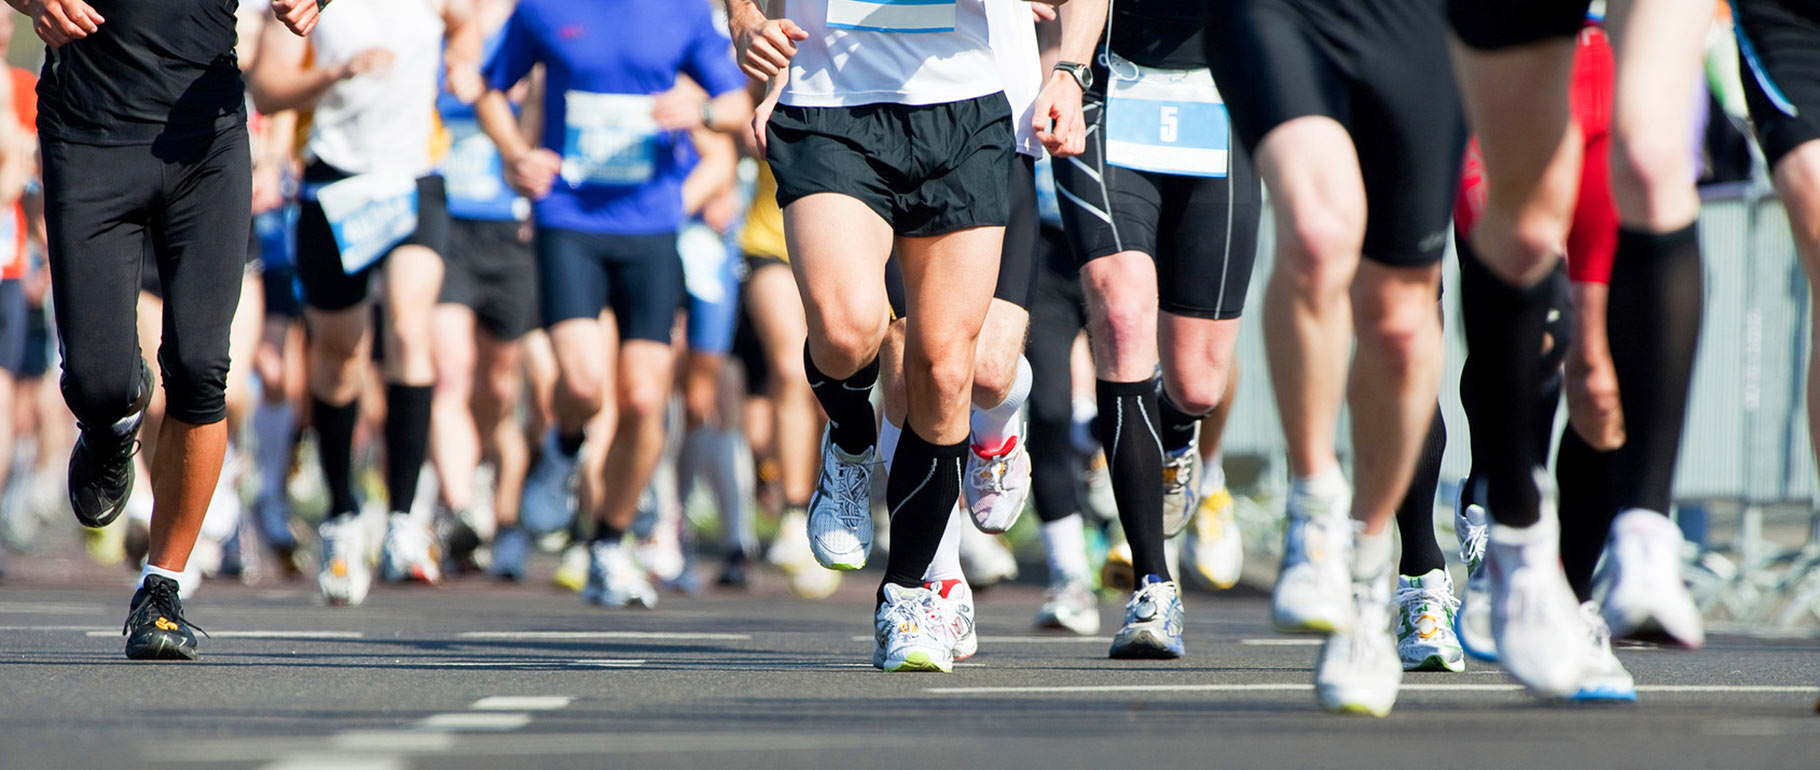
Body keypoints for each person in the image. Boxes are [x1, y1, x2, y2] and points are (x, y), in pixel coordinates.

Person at [729, 0, 1049, 671]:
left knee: (946, 369)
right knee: (846, 333)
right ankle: (850, 442)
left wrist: (1069, 70)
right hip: (832, 102)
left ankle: (908, 593)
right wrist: (744, 20)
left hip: (965, 106)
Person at [1203, 0, 1467, 713]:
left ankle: (1369, 575)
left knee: (1401, 322)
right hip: (1281, 12)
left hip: (1417, 23)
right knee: (1317, 236)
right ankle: (1316, 512)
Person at [1445, 0, 1709, 699]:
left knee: (1599, 383)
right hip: (1517, 66)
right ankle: (1512, 526)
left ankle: (1585, 587)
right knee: (1534, 296)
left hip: (1618, 68)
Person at [11, 0, 277, 659]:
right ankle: (110, 422)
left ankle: (163, 587)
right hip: (89, 133)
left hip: (206, 140)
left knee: (201, 368)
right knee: (98, 383)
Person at [478, 0, 752, 608]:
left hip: (652, 228)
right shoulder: (543, 8)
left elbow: (737, 102)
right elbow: (490, 89)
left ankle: (609, 542)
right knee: (582, 386)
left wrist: (702, 110)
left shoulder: (682, 12)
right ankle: (564, 446)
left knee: (645, 400)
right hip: (568, 220)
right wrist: (515, 154)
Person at [1048, 0, 1262, 659]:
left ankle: (1174, 438)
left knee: (1198, 385)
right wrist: (1066, 68)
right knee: (1121, 316)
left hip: (1225, 96)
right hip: (1110, 90)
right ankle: (1152, 585)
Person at [252, 0, 475, 604]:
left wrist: (463, 61)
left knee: (409, 327)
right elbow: (267, 89)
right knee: (340, 355)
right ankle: (342, 516)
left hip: (414, 180)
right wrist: (337, 71)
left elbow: (467, 23)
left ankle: (405, 518)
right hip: (335, 182)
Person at [428, 0, 538, 580]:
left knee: (499, 386)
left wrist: (503, 94)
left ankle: (502, 502)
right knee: (450, 371)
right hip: (446, 224)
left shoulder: (530, 26)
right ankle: (463, 509)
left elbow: (549, 116)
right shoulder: (435, 30)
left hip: (510, 230)